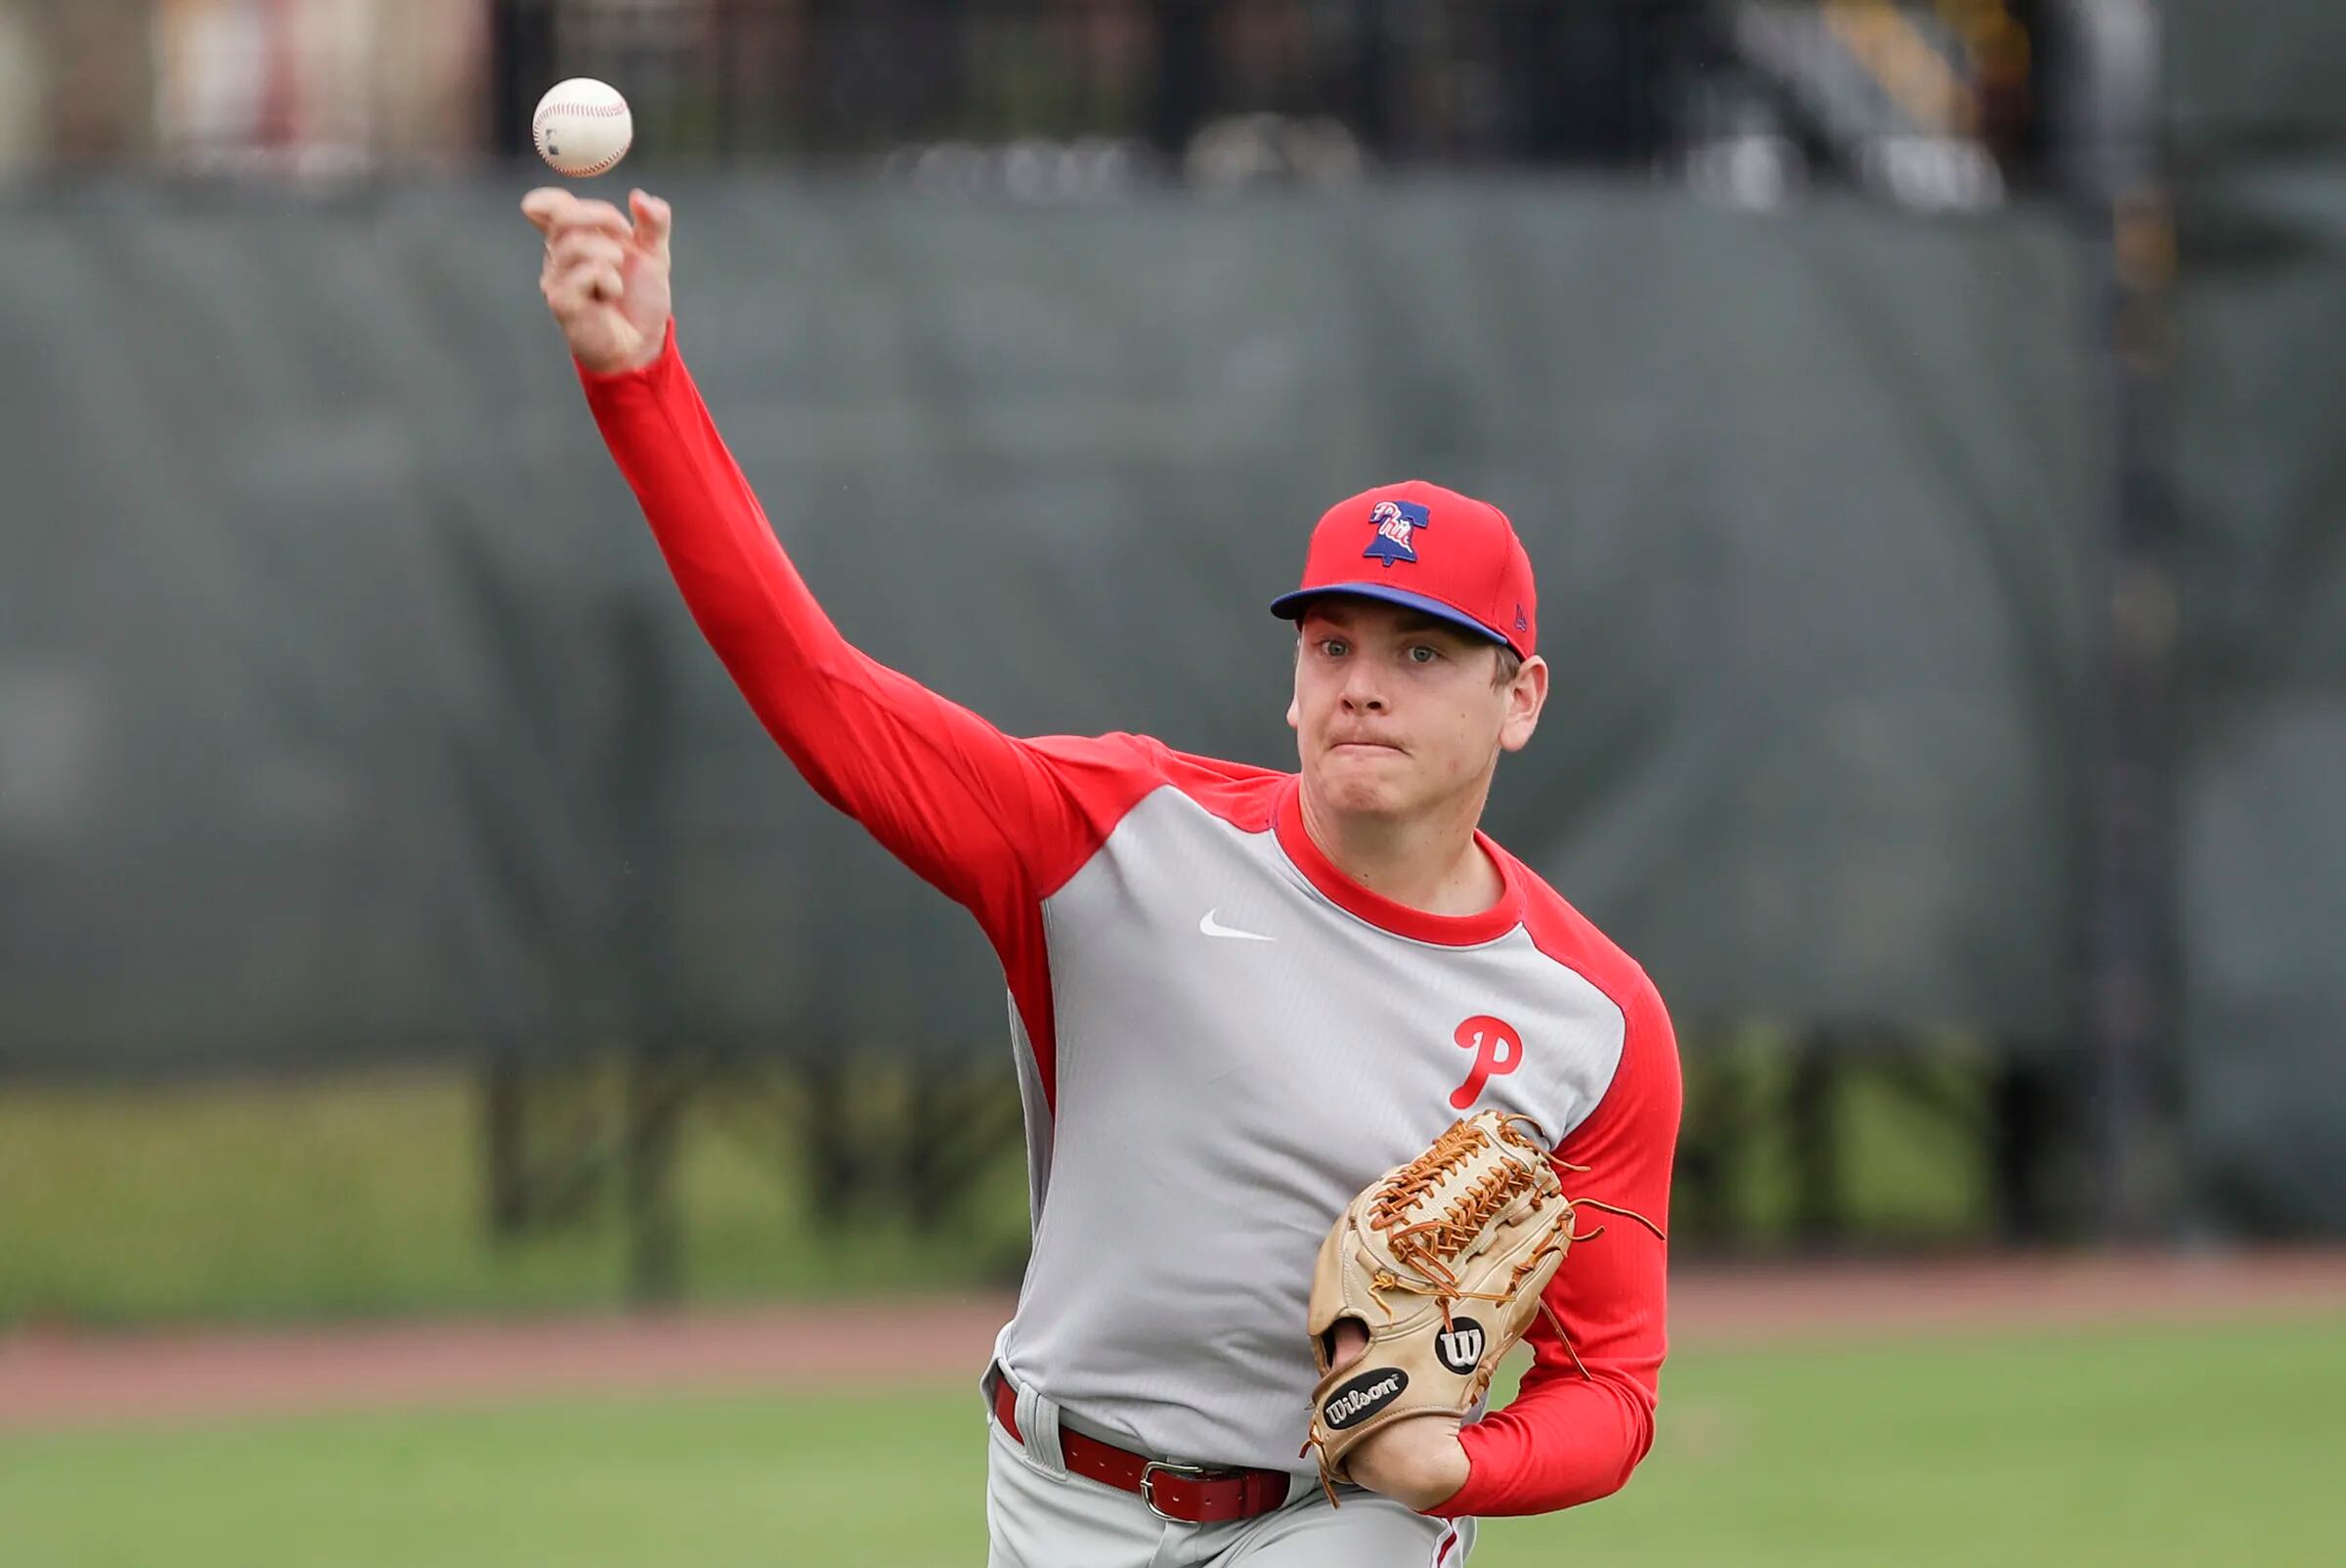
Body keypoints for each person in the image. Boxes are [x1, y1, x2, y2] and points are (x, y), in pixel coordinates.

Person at [523, 185, 1681, 1568]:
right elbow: (820, 693)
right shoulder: (1119, 838)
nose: (1363, 686)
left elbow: (1611, 1389)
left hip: (1341, 1518)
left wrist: (1457, 1462)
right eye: (1333, 646)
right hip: (1058, 1494)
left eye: (1421, 654)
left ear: (1522, 696)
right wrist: (638, 379)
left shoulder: (1593, 1021)